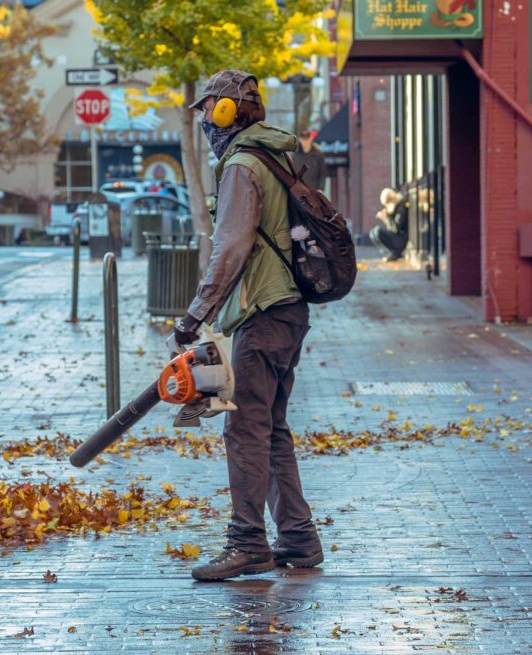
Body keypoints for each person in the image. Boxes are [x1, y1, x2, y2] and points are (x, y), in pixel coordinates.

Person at [173, 70, 323, 582]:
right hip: (289, 309)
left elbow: (231, 246)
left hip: (264, 312)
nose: (204, 124)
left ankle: (247, 543)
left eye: (208, 110)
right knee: (270, 426)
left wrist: (197, 313)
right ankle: (298, 538)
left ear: (225, 111)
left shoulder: (241, 164)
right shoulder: (273, 154)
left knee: (244, 428)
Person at [370, 188, 408, 261]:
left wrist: (385, 218)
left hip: (402, 239)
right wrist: (388, 215)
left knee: (378, 231)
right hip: (398, 237)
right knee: (373, 232)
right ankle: (391, 253)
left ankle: (396, 252)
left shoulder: (401, 207)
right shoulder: (395, 208)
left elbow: (396, 228)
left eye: (386, 204)